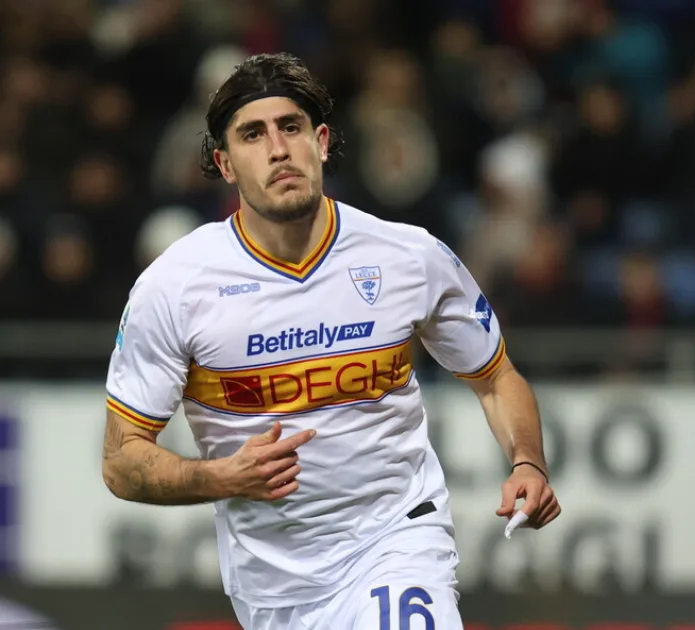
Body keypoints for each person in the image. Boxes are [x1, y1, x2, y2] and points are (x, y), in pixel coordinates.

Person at [100, 53, 561, 630]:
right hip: (273, 586)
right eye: (252, 135)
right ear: (225, 164)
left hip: (398, 540)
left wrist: (528, 462)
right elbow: (121, 461)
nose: (278, 149)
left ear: (320, 142)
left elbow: (495, 378)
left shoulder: (407, 255)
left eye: (290, 127)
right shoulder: (174, 286)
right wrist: (220, 478)